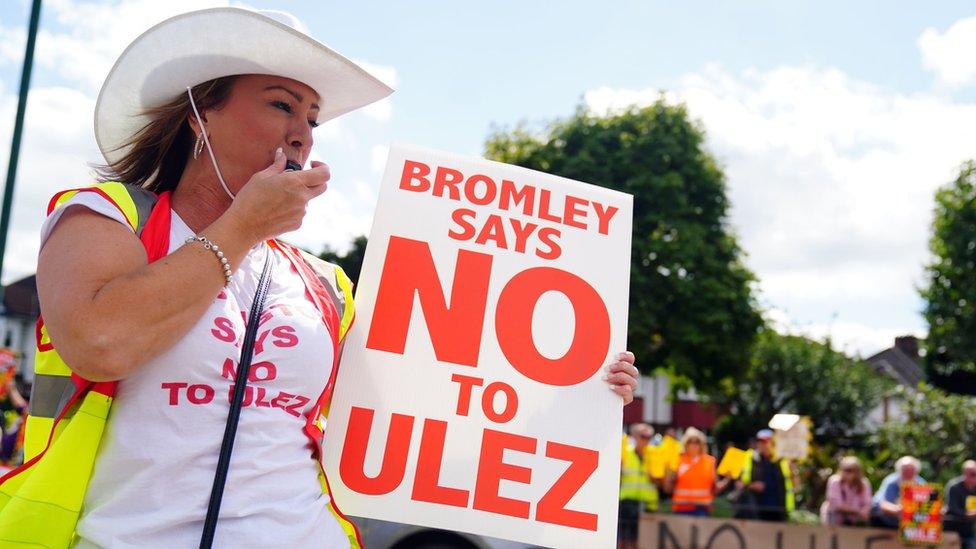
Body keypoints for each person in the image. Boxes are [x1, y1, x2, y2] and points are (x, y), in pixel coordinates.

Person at [0, 8, 643, 548]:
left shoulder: (324, 286)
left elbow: (430, 415)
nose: (302, 134)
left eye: (312, 118)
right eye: (282, 105)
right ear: (199, 114)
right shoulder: (107, 215)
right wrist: (243, 227)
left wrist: (576, 395)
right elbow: (99, 341)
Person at [665, 427, 728, 516]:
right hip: (681, 508)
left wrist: (728, 478)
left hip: (702, 509)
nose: (693, 445)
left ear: (701, 444)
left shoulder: (709, 461)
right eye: (690, 441)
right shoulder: (678, 459)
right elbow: (668, 487)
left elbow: (716, 488)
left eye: (697, 442)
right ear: (685, 443)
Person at [735, 429, 795, 521]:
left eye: (765, 441)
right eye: (759, 441)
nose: (762, 444)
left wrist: (793, 472)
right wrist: (752, 486)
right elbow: (739, 483)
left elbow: (792, 484)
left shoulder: (782, 461)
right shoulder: (751, 458)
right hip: (757, 509)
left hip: (778, 509)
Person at [619, 423, 658, 549]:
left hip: (647, 504)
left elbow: (661, 482)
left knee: (642, 541)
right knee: (623, 540)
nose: (646, 440)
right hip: (627, 502)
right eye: (643, 436)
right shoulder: (625, 454)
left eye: (649, 437)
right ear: (634, 436)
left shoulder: (654, 454)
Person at [870, 455, 924, 529]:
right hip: (884, 523)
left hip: (909, 527)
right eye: (905, 469)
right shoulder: (890, 482)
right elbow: (882, 504)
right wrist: (899, 510)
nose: (908, 472)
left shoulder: (921, 483)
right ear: (899, 470)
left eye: (911, 469)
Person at [820, 456, 872, 526]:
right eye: (844, 469)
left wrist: (864, 511)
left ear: (857, 471)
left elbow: (867, 503)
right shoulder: (835, 481)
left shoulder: (864, 483)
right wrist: (858, 511)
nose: (846, 473)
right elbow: (837, 505)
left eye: (850, 470)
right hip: (834, 519)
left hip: (855, 521)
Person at [945, 460, 976, 549]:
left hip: (969, 530)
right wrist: (969, 514)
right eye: (972, 474)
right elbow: (952, 509)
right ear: (964, 473)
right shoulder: (954, 486)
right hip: (951, 530)